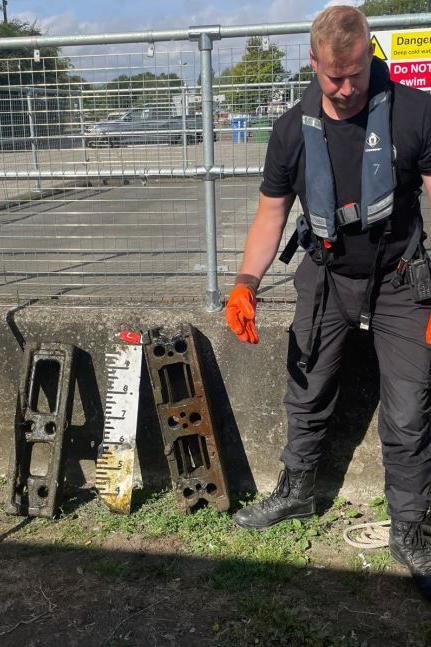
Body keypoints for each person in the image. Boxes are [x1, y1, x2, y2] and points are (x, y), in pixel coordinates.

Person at [225, 5, 431, 599]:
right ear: (312, 64)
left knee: (411, 408)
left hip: (400, 278)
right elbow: (272, 214)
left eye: (357, 74)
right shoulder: (292, 129)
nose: (345, 89)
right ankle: (294, 492)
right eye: (333, 76)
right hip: (325, 275)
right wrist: (245, 282)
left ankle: (411, 527)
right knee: (306, 388)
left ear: (371, 57)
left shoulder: (415, 113)